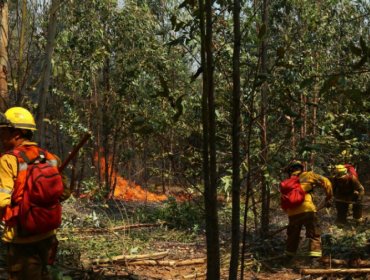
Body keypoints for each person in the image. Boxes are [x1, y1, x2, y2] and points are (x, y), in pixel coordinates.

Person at [0, 107, 70, 279]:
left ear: (16, 133)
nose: (0, 136)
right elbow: (64, 193)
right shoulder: (50, 157)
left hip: (21, 238)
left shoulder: (8, 160)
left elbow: (2, 201)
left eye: (3, 131)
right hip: (48, 234)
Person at [282, 161, 333, 263]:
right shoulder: (308, 175)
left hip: (292, 213)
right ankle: (314, 260)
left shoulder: (287, 183)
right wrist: (329, 197)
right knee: (314, 234)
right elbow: (326, 181)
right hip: (308, 210)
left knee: (293, 236)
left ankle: (287, 259)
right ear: (301, 168)